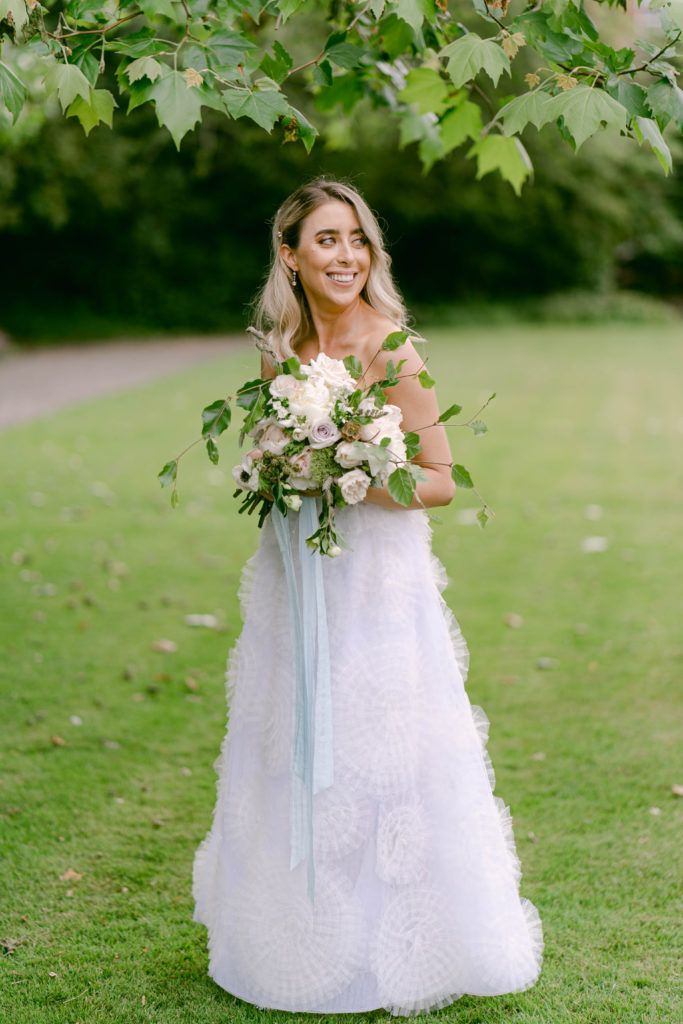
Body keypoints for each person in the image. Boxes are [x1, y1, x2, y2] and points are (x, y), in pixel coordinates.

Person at [192, 179, 543, 1015]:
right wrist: (277, 468)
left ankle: (406, 941)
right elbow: (273, 445)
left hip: (376, 583)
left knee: (378, 750)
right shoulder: (279, 347)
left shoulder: (392, 348)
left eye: (356, 239)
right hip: (297, 576)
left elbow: (439, 482)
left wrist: (354, 471)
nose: (344, 255)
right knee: (291, 738)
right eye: (325, 240)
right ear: (290, 255)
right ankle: (295, 932)